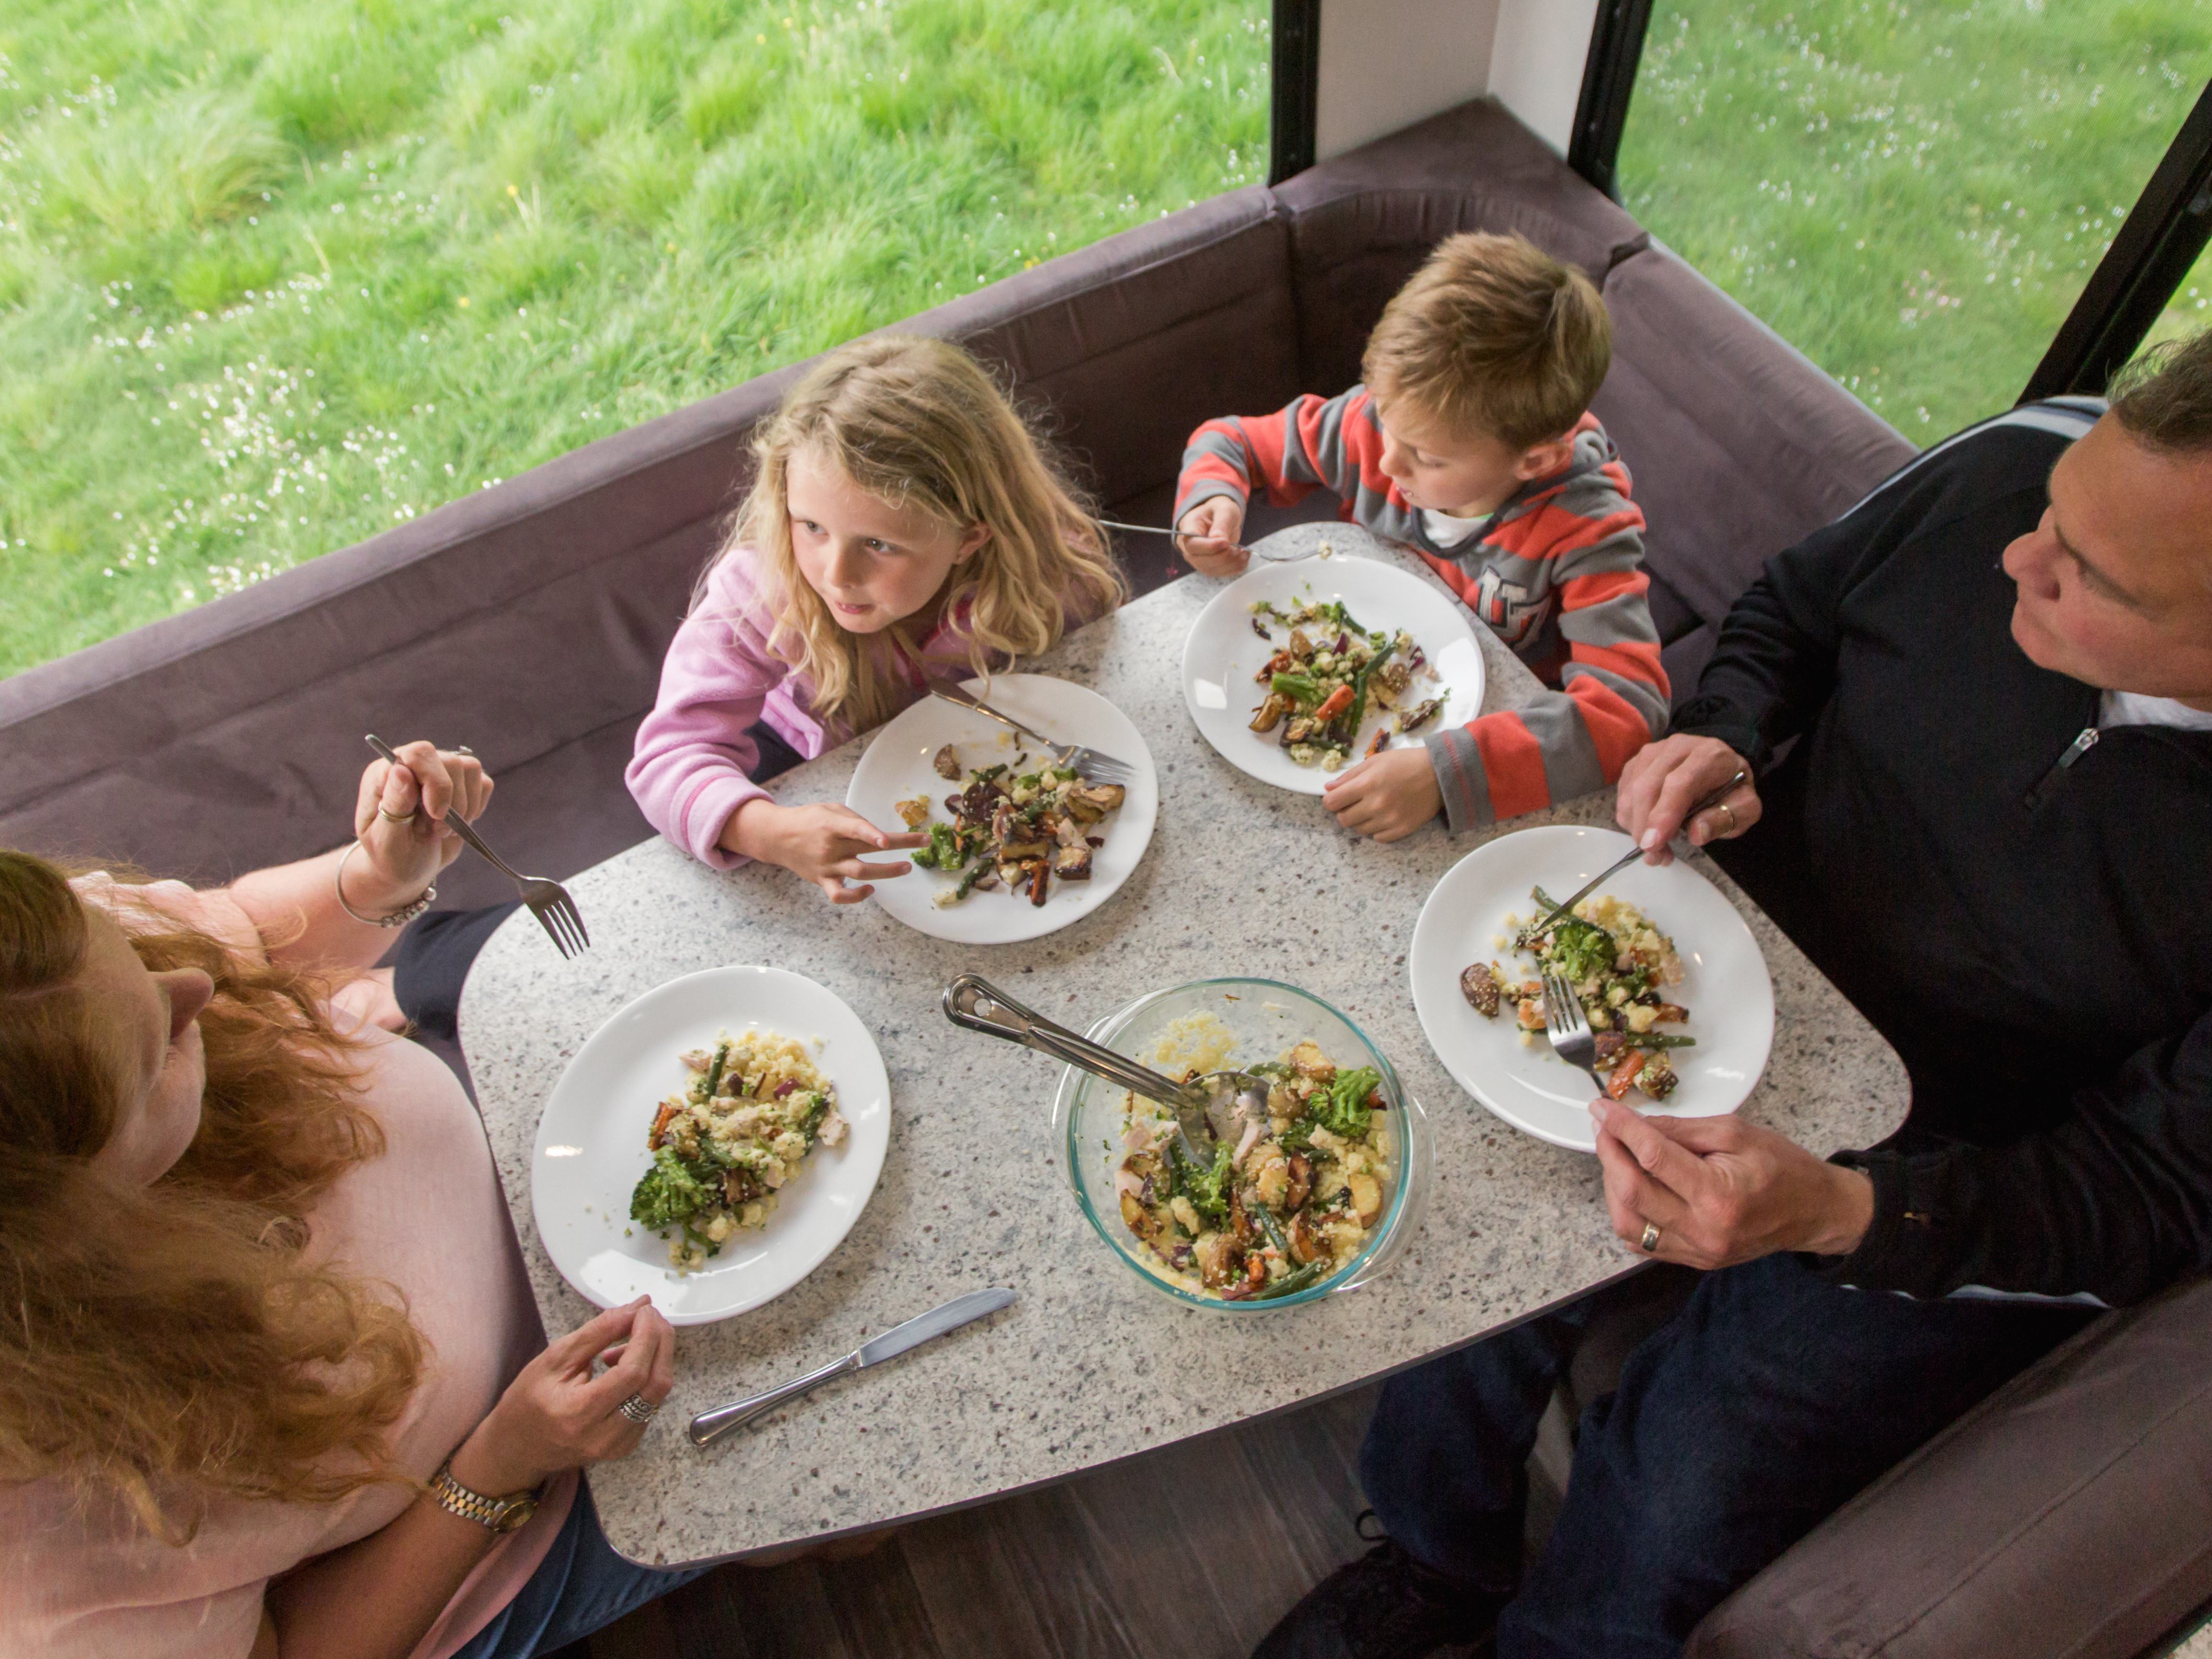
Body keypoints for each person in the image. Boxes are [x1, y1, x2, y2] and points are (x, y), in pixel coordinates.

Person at [1253, 333, 2212, 1659]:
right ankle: (1431, 1557)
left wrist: (1839, 1206)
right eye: (2049, 516)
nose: (2015, 554)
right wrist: (1731, 727)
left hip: (1968, 1163)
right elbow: (1789, 611)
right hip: (1718, 965)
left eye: (2086, 572)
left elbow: (2156, 1190)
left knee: (1686, 1471)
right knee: (1461, 1216)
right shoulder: (2025, 458)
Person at [0, 740, 696, 1659]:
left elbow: (234, 939)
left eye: (130, 952)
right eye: (156, 1052)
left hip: (545, 1185)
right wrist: (503, 1460)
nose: (195, 992)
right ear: (66, 1230)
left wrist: (373, 876)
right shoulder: (49, 1550)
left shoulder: (35, 974)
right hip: (519, 1506)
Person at [1171, 231, 1668, 842]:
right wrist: (1213, 498)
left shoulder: (1588, 526)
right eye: (1384, 421)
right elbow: (1232, 442)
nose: (1385, 465)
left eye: (1427, 460)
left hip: (1490, 737)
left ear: (1534, 462)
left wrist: (1445, 774)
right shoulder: (1374, 427)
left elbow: (1626, 712)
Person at [626, 334, 1128, 904]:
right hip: (807, 751)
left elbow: (1089, 671)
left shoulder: (1044, 572)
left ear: (969, 537)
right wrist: (770, 832)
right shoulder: (761, 593)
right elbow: (667, 759)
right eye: (810, 526)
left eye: (877, 543)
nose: (835, 574)